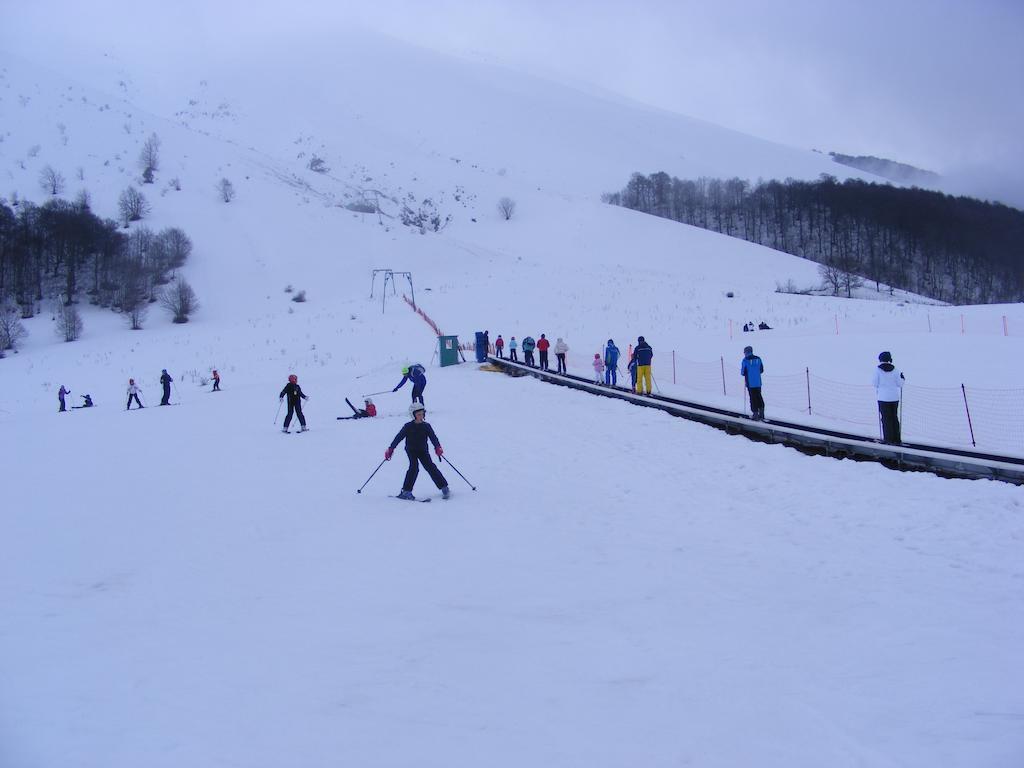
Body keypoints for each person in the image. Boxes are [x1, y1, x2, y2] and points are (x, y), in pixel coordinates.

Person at [385, 401, 450, 500]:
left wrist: (437, 447)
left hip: (423, 450)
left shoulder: (426, 426)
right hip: (411, 451)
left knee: (430, 467)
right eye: (418, 414)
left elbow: (433, 438)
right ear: (413, 415)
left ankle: (444, 487)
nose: (421, 416)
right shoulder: (408, 426)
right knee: (414, 467)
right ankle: (406, 491)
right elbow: (398, 438)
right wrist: (391, 448)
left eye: (422, 413)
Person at [873, 351, 905, 444]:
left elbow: (875, 383)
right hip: (894, 398)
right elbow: (900, 384)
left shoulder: (877, 370)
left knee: (886, 419)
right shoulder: (896, 370)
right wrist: (902, 378)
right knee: (894, 418)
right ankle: (896, 439)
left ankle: (888, 439)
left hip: (883, 398)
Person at [741, 345, 765, 420]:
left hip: (750, 384)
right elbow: (761, 370)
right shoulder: (758, 359)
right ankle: (761, 413)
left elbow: (742, 372)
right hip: (758, 383)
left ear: (746, 352)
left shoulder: (745, 360)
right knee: (759, 397)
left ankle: (755, 415)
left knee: (752, 398)